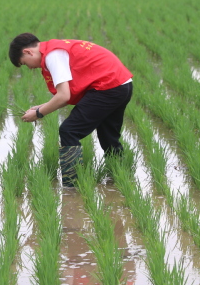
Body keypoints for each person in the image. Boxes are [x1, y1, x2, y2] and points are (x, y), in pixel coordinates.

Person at [8, 33, 133, 187]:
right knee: (108, 135)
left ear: (28, 52)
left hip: (107, 87)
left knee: (69, 131)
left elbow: (64, 96)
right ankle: (120, 176)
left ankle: (71, 185)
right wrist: (41, 107)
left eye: (24, 63)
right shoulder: (56, 48)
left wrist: (39, 114)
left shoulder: (52, 56)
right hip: (121, 84)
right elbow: (66, 95)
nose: (30, 67)